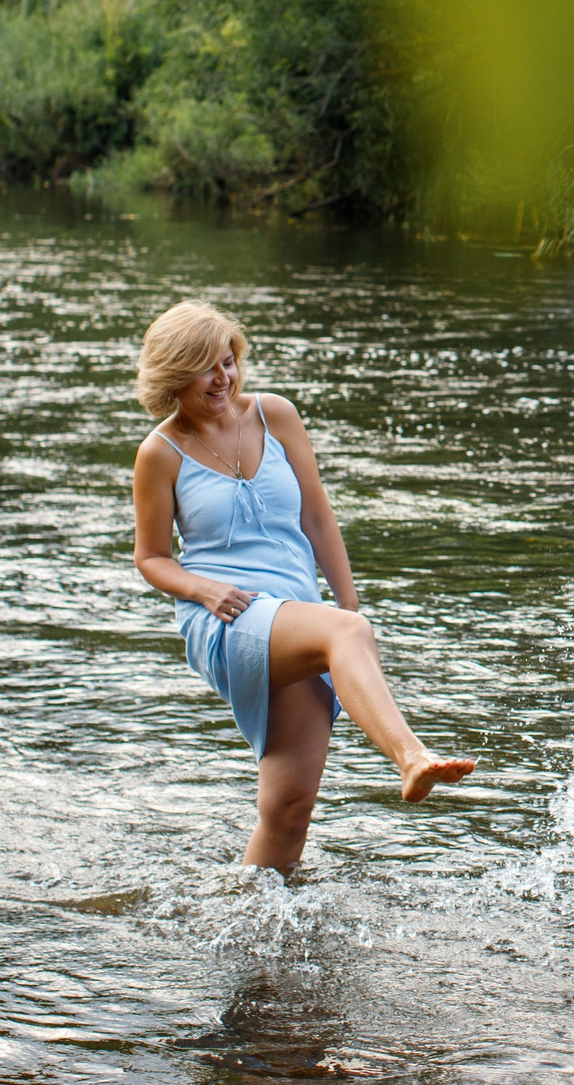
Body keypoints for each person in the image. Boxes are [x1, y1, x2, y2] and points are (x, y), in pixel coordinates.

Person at [130, 301, 472, 869]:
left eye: (229, 361)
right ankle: (411, 758)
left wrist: (348, 610)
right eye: (206, 367)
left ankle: (245, 923)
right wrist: (203, 590)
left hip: (297, 614)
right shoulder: (159, 454)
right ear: (173, 374)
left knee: (289, 808)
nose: (224, 378)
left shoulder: (275, 415)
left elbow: (318, 517)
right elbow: (151, 558)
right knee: (345, 634)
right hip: (228, 616)